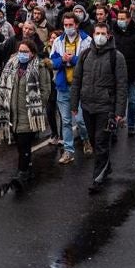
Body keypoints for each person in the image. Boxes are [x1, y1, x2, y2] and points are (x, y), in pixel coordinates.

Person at [70, 23, 127, 193]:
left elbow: (121, 86)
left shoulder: (116, 57)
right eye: (97, 33)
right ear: (93, 35)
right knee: (95, 141)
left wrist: (119, 112)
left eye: (103, 33)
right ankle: (106, 166)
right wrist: (74, 104)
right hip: (88, 106)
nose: (100, 36)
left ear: (109, 35)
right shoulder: (85, 54)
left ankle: (97, 178)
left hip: (106, 108)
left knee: (101, 143)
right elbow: (77, 80)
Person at [0, 38, 52, 187]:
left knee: (24, 143)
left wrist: (37, 105)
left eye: (25, 51)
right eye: (20, 51)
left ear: (32, 53)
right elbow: (1, 87)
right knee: (19, 143)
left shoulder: (40, 67)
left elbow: (46, 89)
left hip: (29, 113)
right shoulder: (11, 65)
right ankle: (28, 168)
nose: (22, 54)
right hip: (12, 112)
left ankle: (22, 173)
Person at [50, 12, 92, 164]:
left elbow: (90, 62)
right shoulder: (58, 42)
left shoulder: (87, 40)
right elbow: (52, 62)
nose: (68, 28)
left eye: (70, 25)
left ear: (77, 25)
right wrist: (61, 59)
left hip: (80, 88)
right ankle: (68, 151)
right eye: (65, 25)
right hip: (63, 86)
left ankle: (86, 139)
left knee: (81, 120)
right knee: (66, 121)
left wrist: (73, 59)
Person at [112, 9, 135, 137]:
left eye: (123, 18)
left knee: (132, 102)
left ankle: (131, 124)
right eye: (119, 18)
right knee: (116, 102)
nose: (120, 21)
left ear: (129, 19)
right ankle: (114, 126)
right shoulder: (114, 34)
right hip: (116, 75)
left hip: (131, 74)